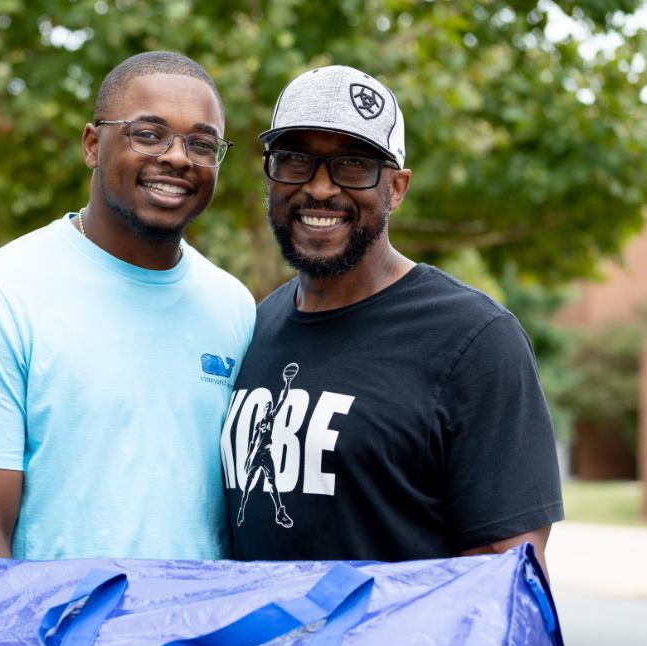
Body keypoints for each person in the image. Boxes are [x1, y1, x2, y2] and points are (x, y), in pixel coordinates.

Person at [0, 51, 255, 592]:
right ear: (91, 145)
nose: (178, 157)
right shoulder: (1, 294)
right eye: (148, 134)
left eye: (202, 144)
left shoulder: (235, 307)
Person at [220, 65, 562, 568]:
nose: (319, 188)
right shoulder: (261, 323)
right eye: (295, 160)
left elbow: (506, 581)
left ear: (397, 187)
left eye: (354, 164)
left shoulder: (474, 339)